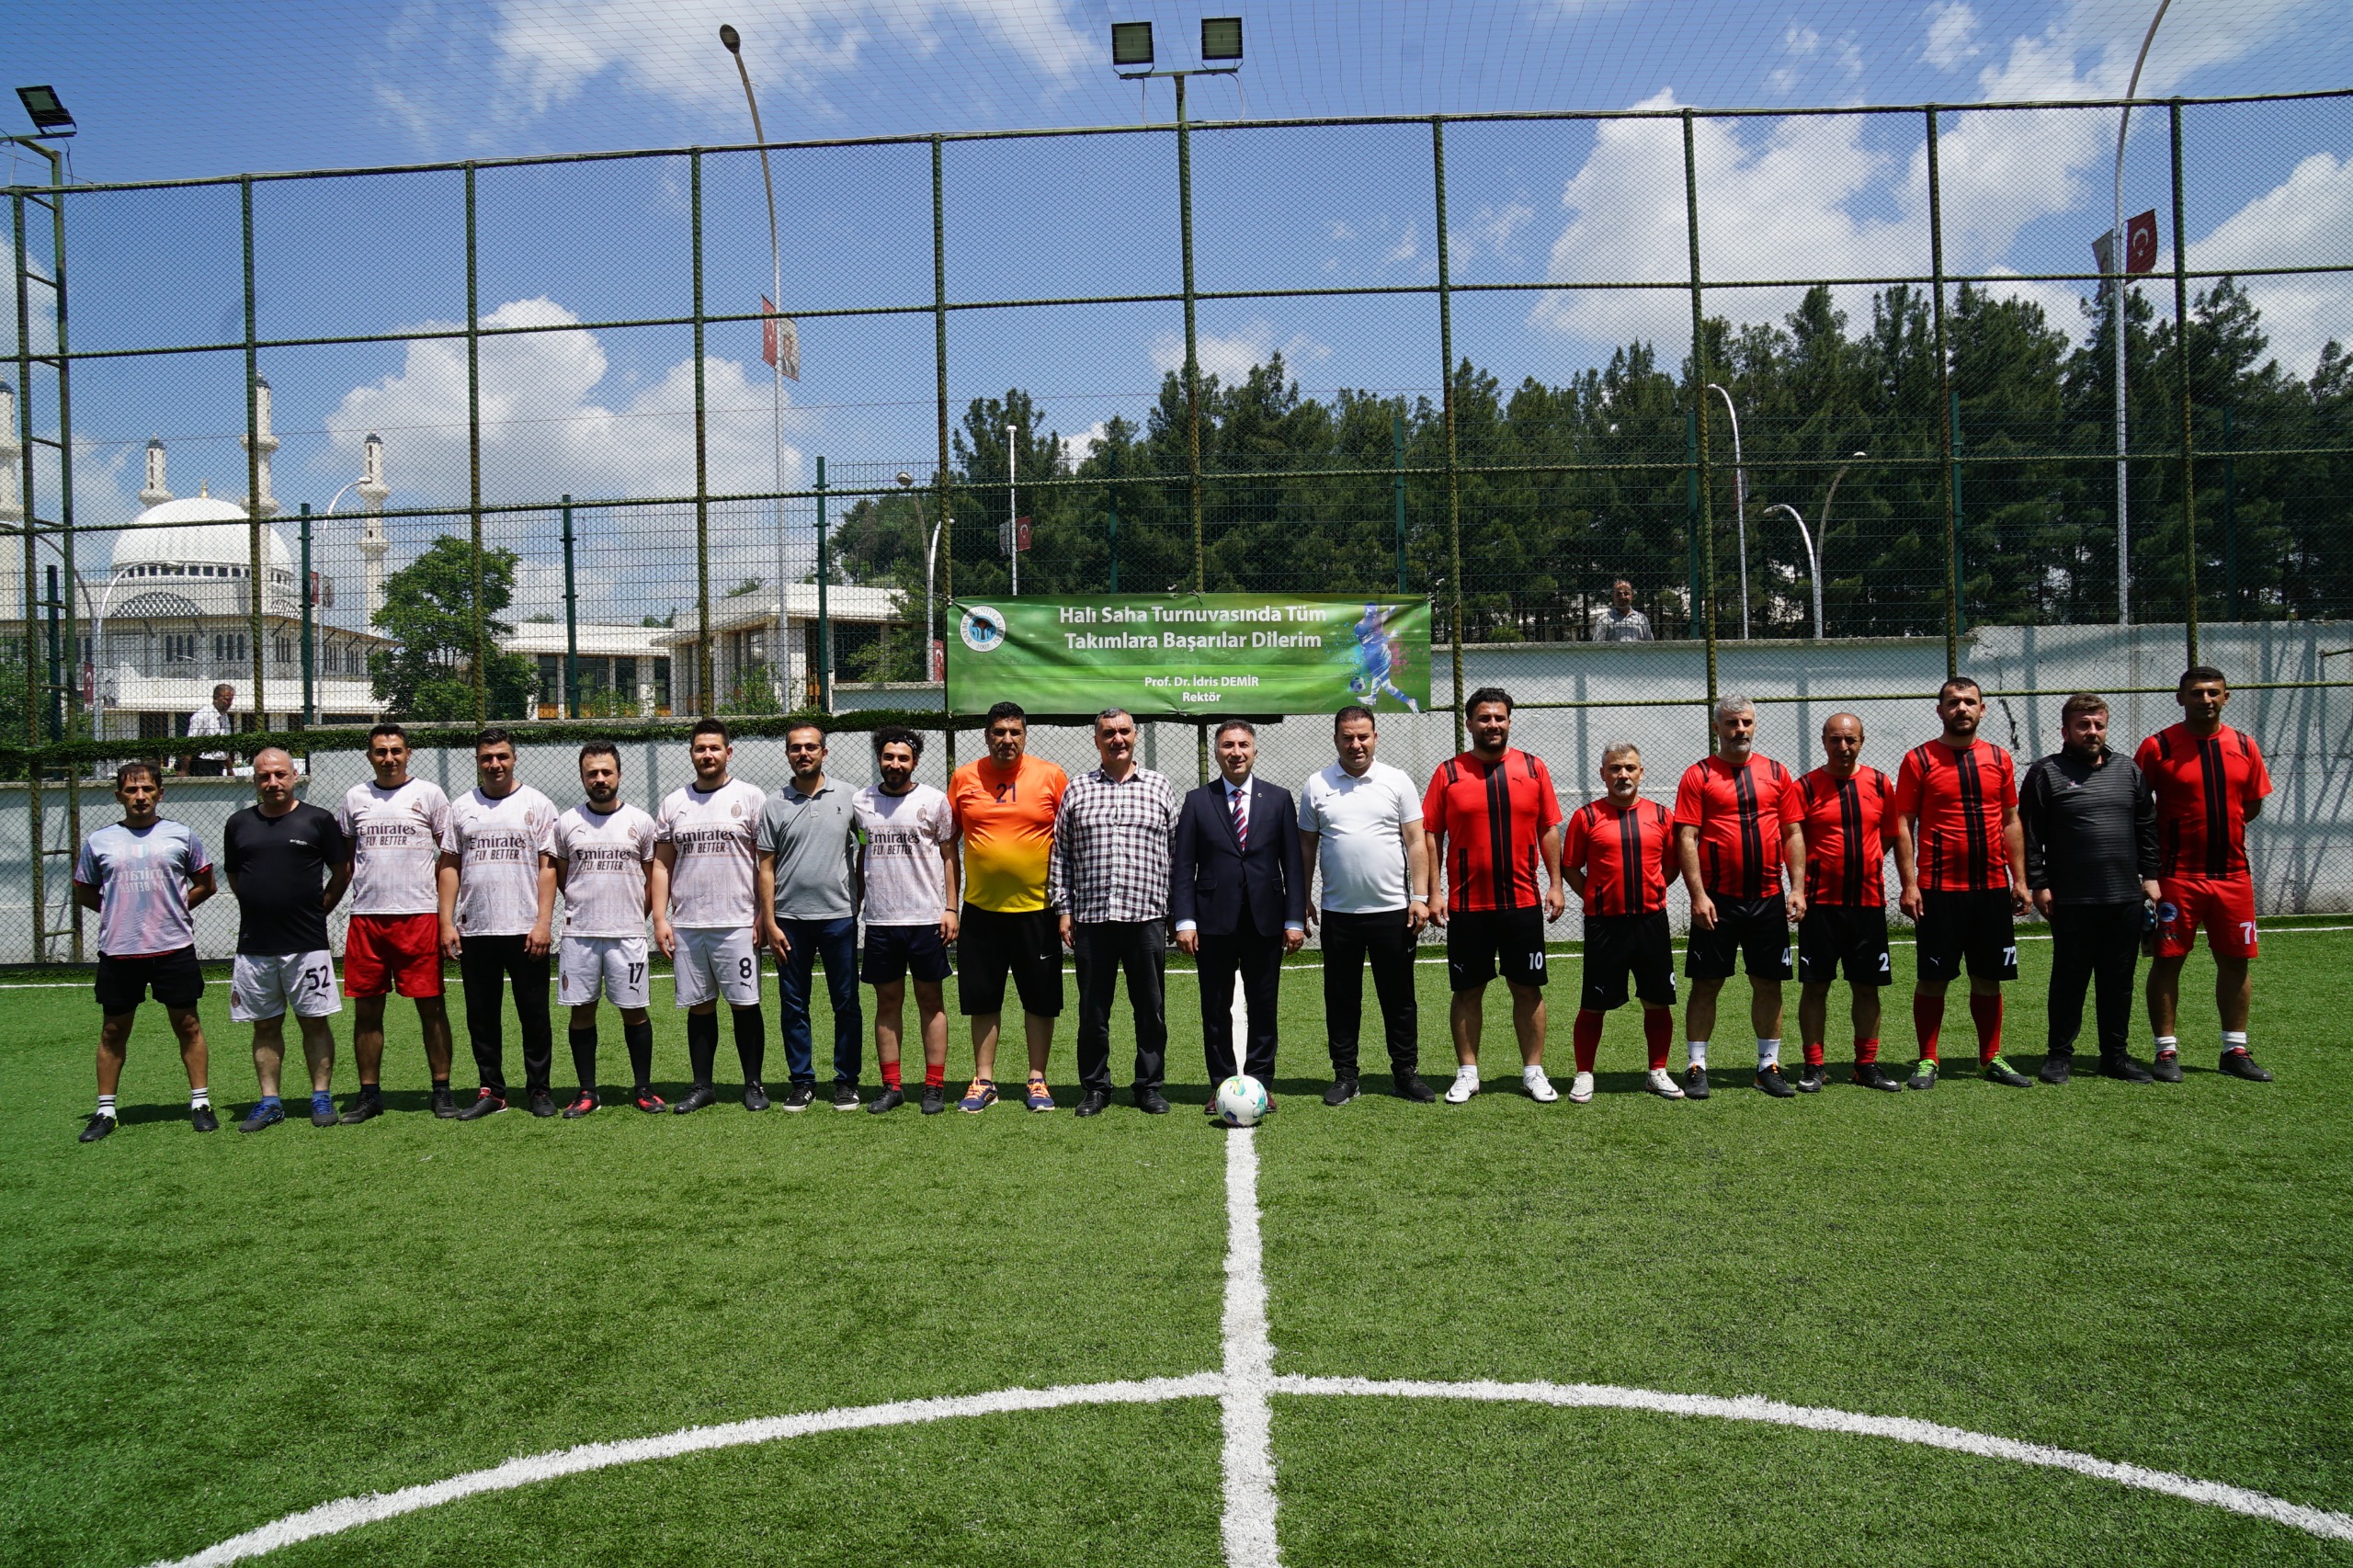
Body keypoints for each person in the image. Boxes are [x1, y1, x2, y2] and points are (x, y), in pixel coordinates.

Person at [1422, 687, 1567, 1104]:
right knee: (1468, 991)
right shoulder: (1448, 772)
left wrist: (1555, 884)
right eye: (1484, 718)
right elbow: (1432, 834)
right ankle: (1468, 1073)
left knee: (1528, 989)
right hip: (1468, 907)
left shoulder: (1533, 768)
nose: (1492, 725)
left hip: (1522, 903)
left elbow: (1548, 828)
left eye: (1499, 718)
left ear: (1509, 721)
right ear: (1469, 724)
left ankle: (1533, 1072)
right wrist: (1434, 892)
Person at [1892, 676, 2033, 1089]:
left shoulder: (1999, 758)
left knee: (1988, 977)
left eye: (1969, 702)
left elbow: (2010, 820)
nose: (1962, 709)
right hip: (1938, 891)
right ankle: (1928, 1059)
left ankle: (1991, 1057)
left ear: (1982, 709)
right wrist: (1909, 883)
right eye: (1953, 702)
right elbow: (1904, 822)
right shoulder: (1919, 759)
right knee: (1933, 979)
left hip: (1990, 889)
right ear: (1940, 711)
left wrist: (2019, 879)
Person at [2135, 666, 2276, 1084]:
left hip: (2233, 876)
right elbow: (2140, 809)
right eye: (2196, 693)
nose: (2206, 700)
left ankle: (2235, 1049)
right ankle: (2165, 1052)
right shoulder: (2158, 746)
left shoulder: (2245, 745)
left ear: (2226, 698)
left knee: (2235, 961)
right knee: (2167, 960)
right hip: (2176, 875)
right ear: (2180, 698)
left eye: (2214, 693)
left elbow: (2250, 806)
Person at [72, 761, 219, 1141]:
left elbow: (206, 883)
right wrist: (119, 912)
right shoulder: (99, 841)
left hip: (173, 947)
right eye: (132, 790)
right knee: (113, 1030)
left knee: (188, 1025)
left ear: (160, 794)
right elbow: (84, 890)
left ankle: (200, 1103)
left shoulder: (181, 835)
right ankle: (106, 1111)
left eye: (148, 789)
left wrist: (173, 908)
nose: (140, 797)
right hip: (120, 950)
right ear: (119, 795)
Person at [2021, 693, 2160, 1085]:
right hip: (2072, 899)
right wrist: (2040, 884)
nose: (2092, 731)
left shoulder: (2128, 770)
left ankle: (2115, 1056)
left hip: (2124, 899)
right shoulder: (2045, 773)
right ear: (2066, 730)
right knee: (2069, 978)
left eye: (2098, 724)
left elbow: (2147, 827)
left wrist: (2151, 876)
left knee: (2118, 981)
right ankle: (2059, 1055)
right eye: (2084, 725)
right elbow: (2030, 835)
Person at [1051, 708, 1181, 1117]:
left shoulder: (1160, 787)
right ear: (1097, 740)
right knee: (1092, 1010)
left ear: (1135, 736)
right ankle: (1095, 1087)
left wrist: (1178, 912)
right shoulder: (1078, 789)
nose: (1117, 739)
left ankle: (1149, 1085)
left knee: (1150, 1007)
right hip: (1092, 917)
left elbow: (1178, 855)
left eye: (1124, 731)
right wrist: (1063, 908)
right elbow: (1062, 854)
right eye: (1108, 733)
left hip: (1147, 915)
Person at [1298, 703, 1430, 1105]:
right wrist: (1302, 896)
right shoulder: (1316, 784)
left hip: (1393, 912)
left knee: (1399, 998)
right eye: (1347, 737)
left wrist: (1420, 897)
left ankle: (1405, 1073)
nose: (1356, 744)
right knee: (1341, 999)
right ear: (1336, 739)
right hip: (1339, 914)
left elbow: (1416, 840)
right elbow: (1306, 845)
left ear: (1375, 737)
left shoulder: (1397, 781)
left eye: (1363, 736)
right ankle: (1345, 1075)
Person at [1675, 695, 1805, 1099]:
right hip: (1718, 901)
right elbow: (1687, 837)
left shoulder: (1776, 772)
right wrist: (1697, 895)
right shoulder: (1698, 775)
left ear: (1755, 724)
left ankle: (1768, 1066)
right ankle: (1696, 1065)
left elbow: (1792, 833)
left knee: (1769, 984)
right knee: (1706, 984)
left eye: (1746, 722)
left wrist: (1797, 887)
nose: (1740, 730)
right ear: (1717, 728)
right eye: (1732, 723)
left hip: (1767, 899)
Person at [1174, 719, 1307, 1115]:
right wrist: (1185, 921)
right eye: (1228, 745)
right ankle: (1221, 1085)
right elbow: (1183, 866)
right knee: (1215, 1008)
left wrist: (1294, 920)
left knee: (1264, 1005)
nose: (1236, 752)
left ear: (1254, 750)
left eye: (1243, 745)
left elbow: (1293, 866)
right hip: (1213, 922)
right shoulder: (1198, 800)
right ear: (1217, 752)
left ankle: (1261, 1083)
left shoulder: (1279, 798)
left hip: (1265, 921)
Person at [947, 701, 1069, 1114]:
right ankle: (984, 1079)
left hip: (1038, 909)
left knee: (1040, 998)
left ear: (1025, 734)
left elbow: (1068, 843)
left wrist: (1066, 906)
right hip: (981, 911)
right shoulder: (964, 777)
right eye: (999, 732)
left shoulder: (1051, 776)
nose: (1007, 739)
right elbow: (949, 845)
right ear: (986, 735)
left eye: (1014, 732)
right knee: (983, 999)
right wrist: (949, 905)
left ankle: (1037, 1079)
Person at [222, 746, 349, 1132]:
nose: (273, 782)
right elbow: (234, 876)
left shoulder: (319, 820)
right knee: (264, 1025)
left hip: (307, 945)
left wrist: (318, 911)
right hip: (255, 947)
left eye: (280, 775)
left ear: (294, 776)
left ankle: (321, 1096)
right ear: (255, 780)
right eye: (265, 776)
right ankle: (270, 1101)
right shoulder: (238, 823)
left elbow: (342, 872)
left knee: (314, 1022)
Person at [335, 723, 458, 1121]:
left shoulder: (430, 795)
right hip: (367, 919)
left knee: (432, 1008)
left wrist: (444, 918)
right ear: (369, 756)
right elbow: (346, 860)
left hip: (419, 917)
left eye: (396, 751)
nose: (389, 758)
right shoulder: (355, 797)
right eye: (380, 751)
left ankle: (441, 1090)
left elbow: (450, 856)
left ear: (408, 754)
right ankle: (369, 1094)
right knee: (367, 1011)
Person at [438, 728, 560, 1119]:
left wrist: (543, 921)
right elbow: (450, 866)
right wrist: (446, 922)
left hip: (526, 930)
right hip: (476, 929)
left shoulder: (537, 804)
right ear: (478, 761)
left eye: (502, 756)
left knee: (535, 1015)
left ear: (514, 758)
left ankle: (539, 1090)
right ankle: (492, 1090)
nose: (495, 764)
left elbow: (548, 867)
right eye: (487, 758)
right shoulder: (461, 807)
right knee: (482, 1017)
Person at [654, 718, 773, 1112]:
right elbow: (661, 865)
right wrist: (659, 918)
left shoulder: (752, 797)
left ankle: (753, 1084)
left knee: (745, 1004)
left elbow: (766, 862)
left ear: (728, 752)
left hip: (738, 922)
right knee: (700, 1005)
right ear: (692, 754)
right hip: (689, 924)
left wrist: (761, 914)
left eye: (714, 748)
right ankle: (702, 1085)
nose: (707, 755)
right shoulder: (674, 803)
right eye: (700, 749)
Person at [1562, 742, 1681, 1103]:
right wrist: (1594, 896)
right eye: (1615, 768)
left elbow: (1673, 865)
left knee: (1657, 1001)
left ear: (1641, 773)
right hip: (1605, 926)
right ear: (1603, 774)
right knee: (1593, 1004)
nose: (1623, 774)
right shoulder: (1586, 817)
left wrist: (1655, 887)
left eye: (1630, 768)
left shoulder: (1662, 815)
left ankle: (1657, 1071)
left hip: (1651, 922)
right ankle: (1584, 1074)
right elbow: (1570, 866)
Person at [1793, 712, 1904, 1092]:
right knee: (1815, 987)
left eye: (1850, 740)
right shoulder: (1805, 786)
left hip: (1867, 904)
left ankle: (1866, 1064)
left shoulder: (1879, 783)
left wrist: (1864, 862)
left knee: (1866, 987)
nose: (1843, 747)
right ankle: (1814, 1065)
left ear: (1862, 741)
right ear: (1824, 742)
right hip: (1819, 905)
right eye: (1836, 740)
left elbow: (1889, 834)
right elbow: (1793, 841)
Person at [852, 726, 960, 1115]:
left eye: (903, 757)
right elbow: (862, 853)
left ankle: (933, 1087)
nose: (894, 764)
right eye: (888, 756)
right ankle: (891, 1086)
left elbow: (950, 856)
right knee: (887, 1003)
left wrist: (951, 908)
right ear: (879, 758)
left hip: (926, 919)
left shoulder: (934, 800)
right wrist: (858, 904)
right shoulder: (860, 802)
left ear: (914, 761)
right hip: (881, 922)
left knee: (931, 1001)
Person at [757, 721, 864, 1110]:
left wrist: (859, 894)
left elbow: (865, 844)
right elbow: (765, 866)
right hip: (789, 922)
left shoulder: (850, 797)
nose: (803, 753)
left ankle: (846, 1081)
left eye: (810, 747)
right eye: (795, 748)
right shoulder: (773, 804)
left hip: (839, 917)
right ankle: (801, 1081)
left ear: (824, 752)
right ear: (787, 754)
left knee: (846, 1002)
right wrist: (769, 921)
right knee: (793, 1004)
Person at [553, 742, 664, 1116]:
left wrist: (636, 915)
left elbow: (652, 880)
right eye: (592, 773)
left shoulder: (641, 822)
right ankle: (587, 1092)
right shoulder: (566, 823)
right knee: (581, 1012)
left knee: (634, 1011)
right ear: (582, 777)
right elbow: (564, 877)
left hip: (627, 935)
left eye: (606, 772)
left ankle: (644, 1089)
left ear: (618, 774)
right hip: (579, 936)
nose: (599, 779)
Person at [183, 683, 235, 776]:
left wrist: (230, 769)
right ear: (216, 698)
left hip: (219, 765)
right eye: (227, 700)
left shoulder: (224, 716)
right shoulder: (202, 716)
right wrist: (184, 769)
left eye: (231, 700)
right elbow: (190, 742)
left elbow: (224, 745)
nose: (230, 703)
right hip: (202, 764)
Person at [1593, 579, 1654, 643]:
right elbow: (1596, 645)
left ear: (1632, 595)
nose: (1623, 597)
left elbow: (1651, 644)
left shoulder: (1641, 618)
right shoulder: (1604, 619)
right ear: (1613, 597)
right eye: (1618, 594)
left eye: (1626, 593)